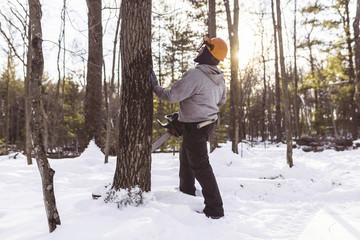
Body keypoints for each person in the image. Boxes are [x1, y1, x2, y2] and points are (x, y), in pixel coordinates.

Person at [150, 37, 228, 219]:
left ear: (208, 52)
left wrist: (154, 87)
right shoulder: (219, 78)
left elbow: (171, 95)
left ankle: (215, 209)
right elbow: (221, 101)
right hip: (206, 124)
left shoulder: (195, 75)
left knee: (201, 167)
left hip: (196, 127)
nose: (199, 50)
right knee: (186, 161)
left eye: (203, 48)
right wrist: (190, 112)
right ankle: (186, 196)